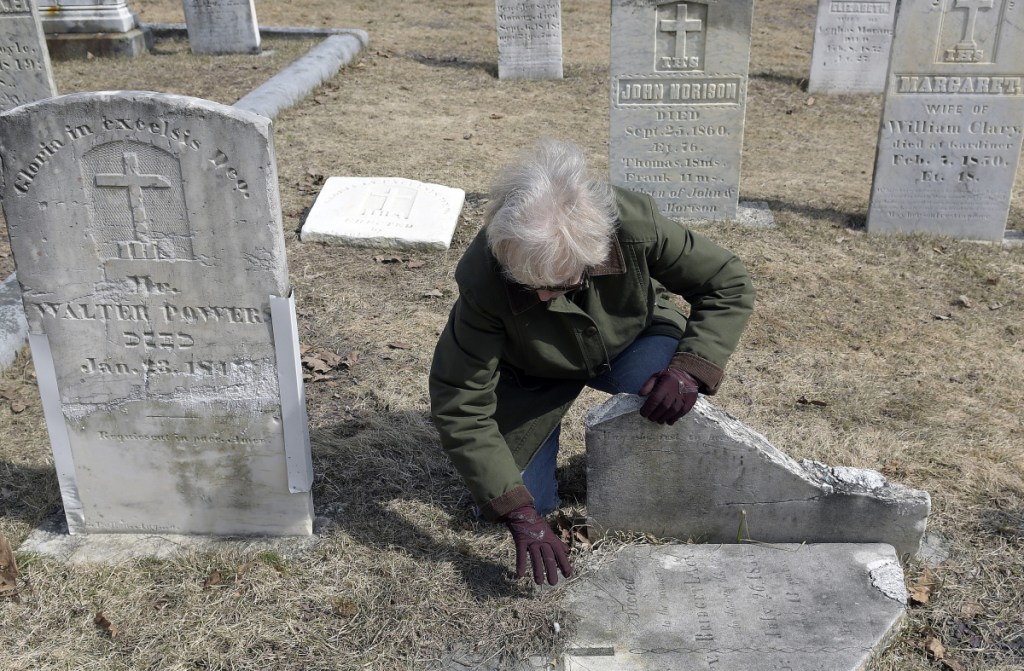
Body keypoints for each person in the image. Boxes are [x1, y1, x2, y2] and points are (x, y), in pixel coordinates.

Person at [429, 139, 755, 586]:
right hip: (531, 374)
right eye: (530, 287)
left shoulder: (631, 224)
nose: (544, 297)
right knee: (524, 497)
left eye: (560, 284)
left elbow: (726, 282)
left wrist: (690, 368)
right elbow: (460, 399)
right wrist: (520, 512)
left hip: (633, 339)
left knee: (665, 403)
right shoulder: (484, 279)